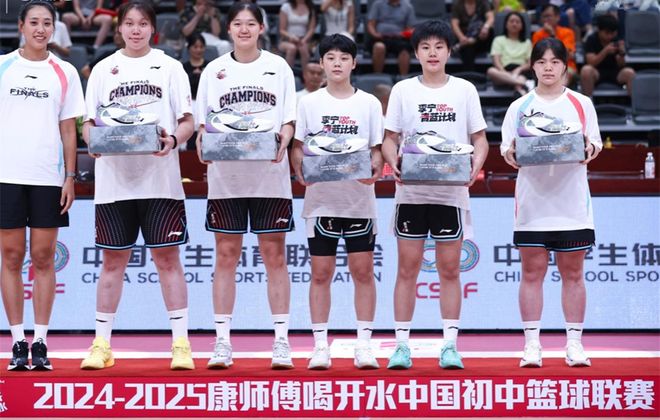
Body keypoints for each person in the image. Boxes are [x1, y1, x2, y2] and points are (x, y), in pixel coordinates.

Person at [80, 0, 195, 371]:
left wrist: (173, 140)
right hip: (114, 183)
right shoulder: (103, 69)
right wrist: (93, 142)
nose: (135, 30)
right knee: (112, 263)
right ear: (119, 28)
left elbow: (188, 121)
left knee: (167, 260)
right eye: (129, 23)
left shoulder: (170, 67)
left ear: (152, 29)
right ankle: (101, 344)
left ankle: (181, 344)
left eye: (142, 23)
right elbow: (88, 123)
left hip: (160, 181)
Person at [381, 20, 489, 370]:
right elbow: (390, 139)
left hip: (450, 194)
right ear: (416, 52)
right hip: (411, 193)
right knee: (407, 269)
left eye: (439, 47)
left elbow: (480, 139)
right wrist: (391, 161)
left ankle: (450, 346)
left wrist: (475, 166)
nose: (432, 53)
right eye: (425, 47)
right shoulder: (403, 90)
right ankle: (401, 347)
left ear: (448, 51)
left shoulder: (464, 90)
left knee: (450, 270)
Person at [195, 2, 297, 370]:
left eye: (250, 23)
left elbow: (289, 121)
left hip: (270, 177)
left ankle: (281, 340)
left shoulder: (278, 67)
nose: (244, 29)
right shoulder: (214, 70)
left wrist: (285, 140)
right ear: (228, 29)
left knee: (275, 256)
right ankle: (222, 341)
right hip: (227, 179)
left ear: (262, 28)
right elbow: (203, 124)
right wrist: (202, 141)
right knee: (226, 255)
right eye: (237, 23)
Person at [500, 38, 602, 368]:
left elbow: (595, 144)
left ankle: (574, 344)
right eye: (542, 62)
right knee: (531, 272)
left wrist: (587, 149)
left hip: (572, 205)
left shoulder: (581, 103)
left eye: (555, 62)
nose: (548, 68)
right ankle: (532, 345)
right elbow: (507, 149)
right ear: (532, 66)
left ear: (565, 66)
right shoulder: (519, 106)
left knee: (573, 273)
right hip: (533, 206)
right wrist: (512, 153)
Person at [291, 34, 384, 370]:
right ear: (321, 63)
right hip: (321, 203)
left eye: (344, 58)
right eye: (330, 58)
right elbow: (297, 147)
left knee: (363, 272)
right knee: (320, 274)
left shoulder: (369, 104)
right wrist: (299, 169)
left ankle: (364, 345)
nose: (337, 64)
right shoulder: (308, 103)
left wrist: (375, 167)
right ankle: (320, 346)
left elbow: (377, 150)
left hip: (359, 201)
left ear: (354, 63)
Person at [0, 0, 84, 372]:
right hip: (6, 176)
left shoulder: (65, 71)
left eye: (47, 23)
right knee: (11, 257)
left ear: (54, 28)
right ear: (20, 26)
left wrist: (70, 176)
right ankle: (18, 341)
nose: (40, 29)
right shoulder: (3, 67)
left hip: (48, 178)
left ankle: (41, 341)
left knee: (44, 258)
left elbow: (69, 130)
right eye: (33, 22)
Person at [580, 13, 636, 97]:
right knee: (586, 70)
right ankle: (588, 103)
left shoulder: (616, 40)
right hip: (597, 72)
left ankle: (634, 103)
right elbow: (591, 62)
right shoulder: (591, 39)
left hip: (614, 72)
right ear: (599, 30)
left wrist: (622, 53)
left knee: (630, 73)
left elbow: (621, 64)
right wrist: (605, 51)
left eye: (612, 33)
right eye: (607, 33)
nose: (610, 36)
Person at [486, 12, 533, 96]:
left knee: (520, 80)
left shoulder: (527, 42)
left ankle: (518, 87)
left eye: (517, 22)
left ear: (522, 25)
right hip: (503, 71)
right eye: (511, 21)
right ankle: (523, 83)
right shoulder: (498, 40)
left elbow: (530, 63)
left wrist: (518, 70)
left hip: (520, 71)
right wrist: (505, 73)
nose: (514, 24)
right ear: (506, 24)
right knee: (491, 71)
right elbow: (496, 61)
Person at [366, 0, 415, 75]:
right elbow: (370, 24)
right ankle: (378, 76)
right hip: (380, 37)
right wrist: (375, 34)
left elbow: (410, 29)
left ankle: (403, 77)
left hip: (399, 38)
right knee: (379, 46)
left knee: (405, 50)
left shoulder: (408, 7)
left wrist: (403, 34)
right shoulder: (378, 4)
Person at [532, 4, 577, 85]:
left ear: (557, 17)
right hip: (543, 66)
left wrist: (552, 34)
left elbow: (566, 54)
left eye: (549, 16)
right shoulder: (537, 35)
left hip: (566, 66)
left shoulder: (568, 32)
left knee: (563, 76)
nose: (546, 19)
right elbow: (536, 56)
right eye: (544, 16)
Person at [451, 0, 495, 71]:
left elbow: (490, 18)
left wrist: (485, 27)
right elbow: (454, 24)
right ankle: (470, 75)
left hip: (481, 38)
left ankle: (465, 43)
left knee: (490, 30)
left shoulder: (483, 2)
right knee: (468, 48)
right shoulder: (457, 4)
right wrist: (461, 37)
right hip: (464, 37)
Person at [278, 0, 317, 68]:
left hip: (304, 40)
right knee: (292, 48)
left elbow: (311, 29)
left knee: (303, 49)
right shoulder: (286, 7)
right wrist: (291, 37)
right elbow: (282, 30)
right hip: (287, 40)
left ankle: (306, 73)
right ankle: (288, 73)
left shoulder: (310, 8)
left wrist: (304, 40)